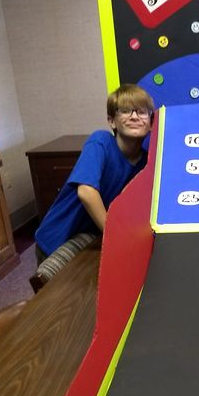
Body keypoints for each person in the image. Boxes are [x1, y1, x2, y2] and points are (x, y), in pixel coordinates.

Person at [34, 83, 154, 263]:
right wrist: (116, 238)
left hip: (92, 240)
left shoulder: (146, 162)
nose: (134, 116)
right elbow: (86, 192)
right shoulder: (101, 142)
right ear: (112, 121)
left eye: (141, 111)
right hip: (58, 239)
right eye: (126, 111)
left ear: (151, 123)